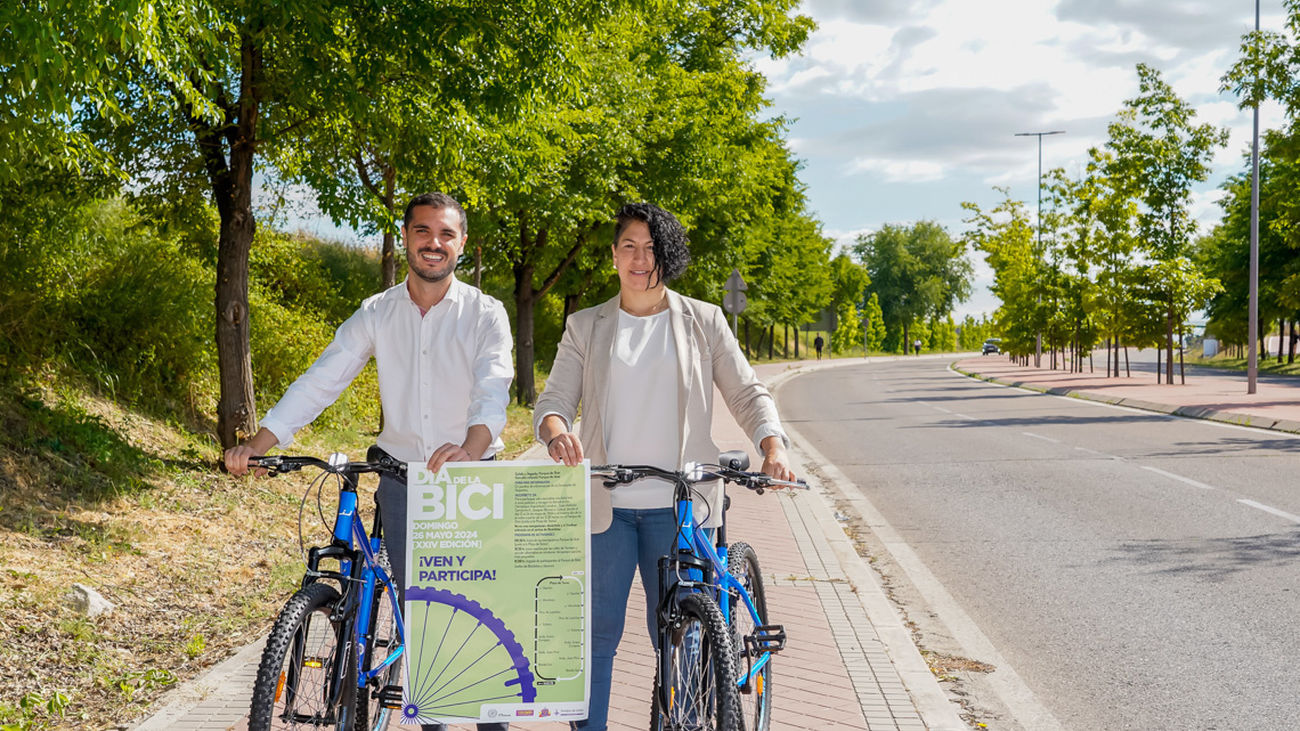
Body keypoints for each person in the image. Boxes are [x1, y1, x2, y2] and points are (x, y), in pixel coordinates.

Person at [223, 192, 513, 731]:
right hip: (403, 478)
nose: (434, 243)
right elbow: (323, 379)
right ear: (406, 237)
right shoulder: (378, 312)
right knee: (422, 617)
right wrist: (260, 442)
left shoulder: (485, 313)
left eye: (447, 234)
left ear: (462, 244)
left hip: (473, 480)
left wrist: (470, 449)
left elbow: (493, 388)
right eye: (424, 231)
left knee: (476, 625)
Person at [534, 202, 796, 731]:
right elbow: (552, 402)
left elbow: (746, 391)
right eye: (629, 245)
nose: (639, 257)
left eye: (652, 247)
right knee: (596, 638)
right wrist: (558, 432)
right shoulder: (586, 326)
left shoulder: (704, 320)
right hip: (605, 506)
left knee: (684, 640)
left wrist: (773, 445)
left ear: (668, 255)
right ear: (613, 255)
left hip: (682, 507)